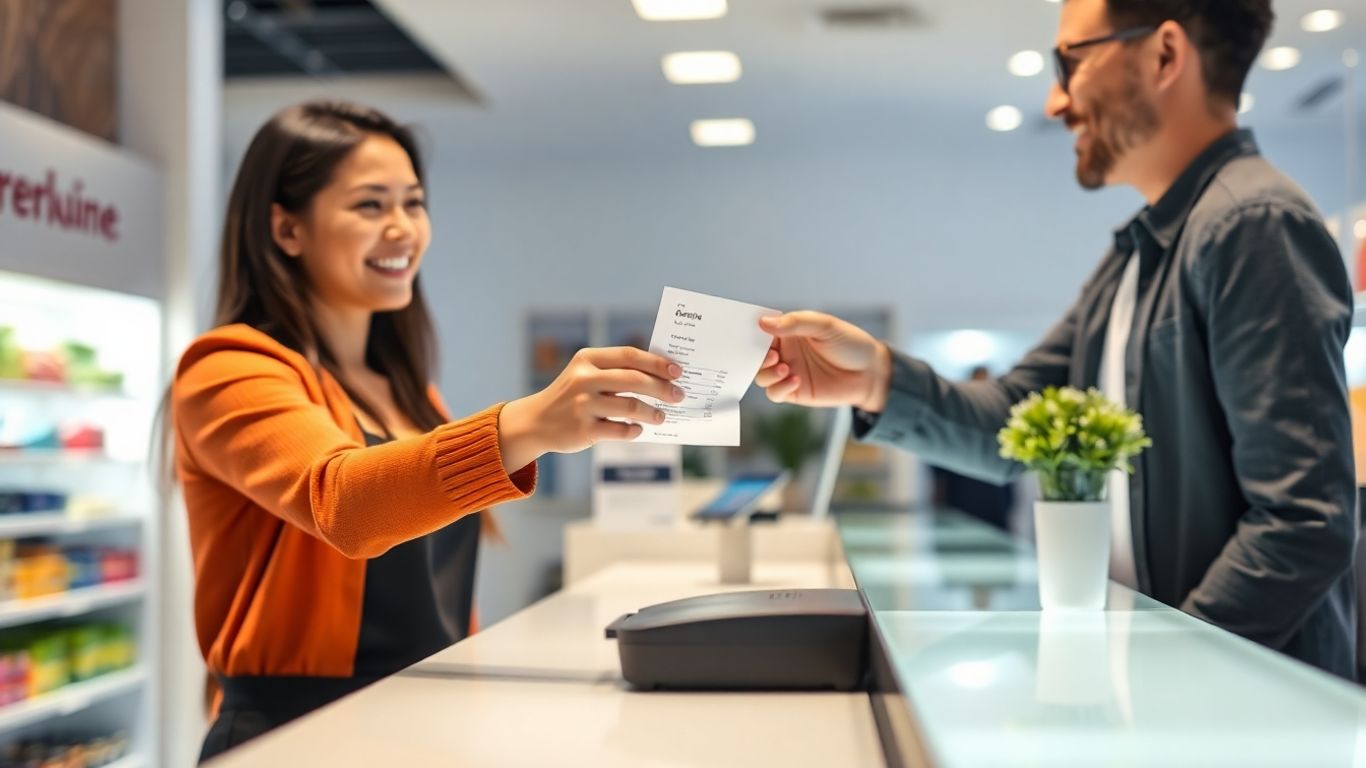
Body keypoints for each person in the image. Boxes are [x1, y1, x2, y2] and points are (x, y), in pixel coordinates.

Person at [754, 0, 1357, 679]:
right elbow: (1017, 419)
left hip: (1247, 719)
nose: (1054, 102)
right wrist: (876, 380)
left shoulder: (1253, 224)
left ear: (1164, 55)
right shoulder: (1139, 253)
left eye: (1069, 62)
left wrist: (1173, 671)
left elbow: (1304, 520)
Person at [170, 101, 686, 761]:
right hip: (298, 736)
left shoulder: (412, 395)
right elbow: (343, 502)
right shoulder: (227, 368)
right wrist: (527, 424)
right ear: (287, 228)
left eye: (413, 203)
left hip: (421, 724)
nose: (403, 229)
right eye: (369, 205)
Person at [929, 366, 1016, 532]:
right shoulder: (956, 419)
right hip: (961, 500)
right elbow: (939, 469)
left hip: (995, 503)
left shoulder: (1003, 421)